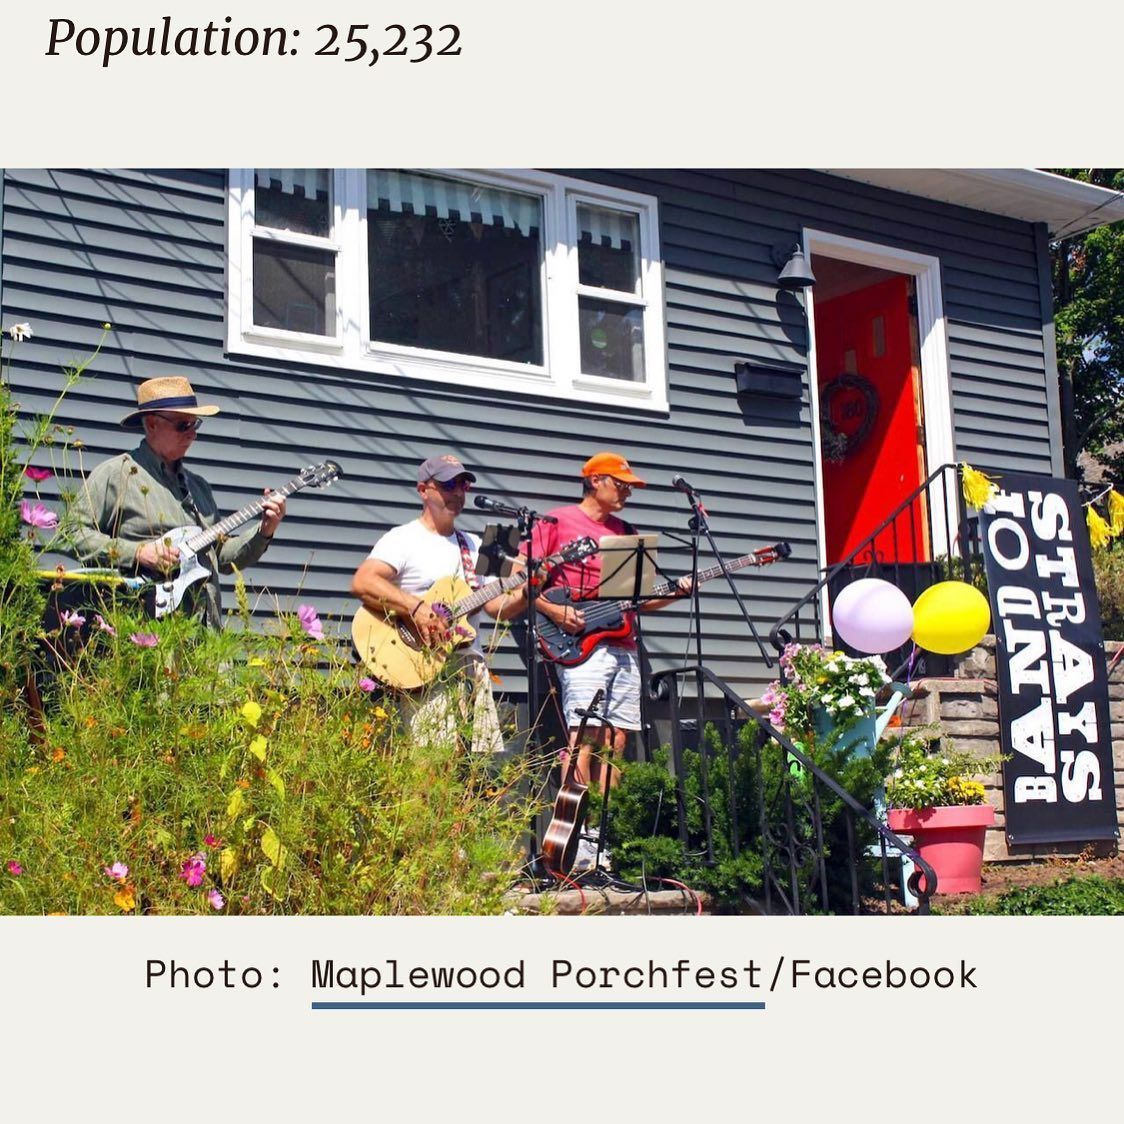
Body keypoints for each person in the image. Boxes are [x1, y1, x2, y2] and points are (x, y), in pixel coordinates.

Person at [531, 452, 691, 802]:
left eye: (629, 487)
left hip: (624, 645)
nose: (627, 493)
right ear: (595, 481)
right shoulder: (555, 522)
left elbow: (635, 602)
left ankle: (607, 825)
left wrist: (676, 594)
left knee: (616, 739)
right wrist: (554, 611)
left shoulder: (626, 533)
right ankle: (576, 828)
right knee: (585, 736)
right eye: (621, 485)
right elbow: (522, 583)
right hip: (579, 644)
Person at [69, 375, 286, 627]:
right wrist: (137, 553)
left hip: (205, 636)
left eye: (195, 425)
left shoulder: (199, 487)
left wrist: (264, 530)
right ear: (152, 424)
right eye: (183, 425)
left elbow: (222, 558)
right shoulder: (116, 475)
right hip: (143, 633)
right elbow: (71, 533)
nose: (192, 434)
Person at [350, 454, 526, 755]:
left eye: (463, 485)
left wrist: (529, 592)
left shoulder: (478, 544)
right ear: (423, 490)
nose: (458, 492)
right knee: (432, 764)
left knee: (476, 767)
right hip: (421, 663)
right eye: (448, 485)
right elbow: (363, 582)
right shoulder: (403, 538)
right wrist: (416, 608)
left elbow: (495, 606)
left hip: (469, 665)